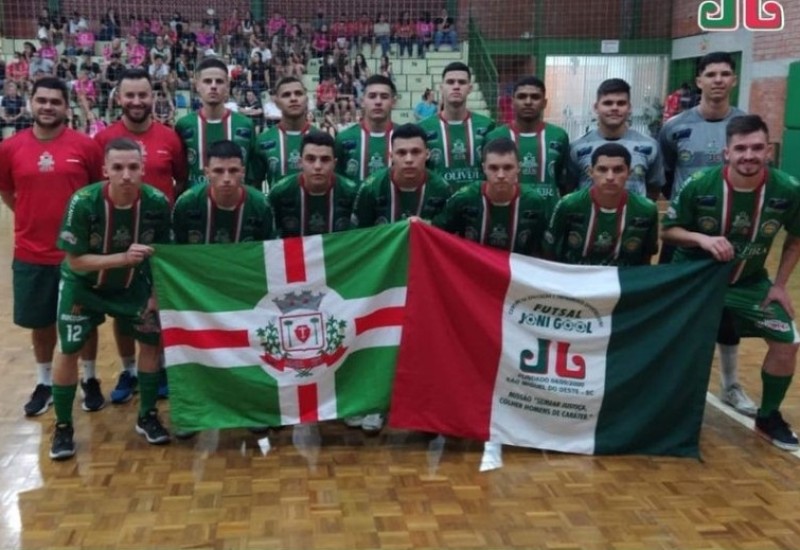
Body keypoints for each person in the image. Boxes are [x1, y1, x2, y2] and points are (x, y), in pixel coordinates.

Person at [662, 115, 800, 451]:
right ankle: (665, 411)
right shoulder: (699, 184)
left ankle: (768, 417)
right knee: (673, 346)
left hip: (750, 283)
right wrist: (701, 239)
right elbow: (667, 231)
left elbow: (795, 237)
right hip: (696, 282)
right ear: (727, 152)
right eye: (741, 148)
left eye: (757, 148)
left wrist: (780, 285)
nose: (749, 155)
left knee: (788, 342)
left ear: (769, 150)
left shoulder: (788, 189)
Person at [48, 138, 172, 460]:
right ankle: (62, 427)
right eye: (118, 167)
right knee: (68, 348)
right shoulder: (83, 202)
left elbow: (163, 257)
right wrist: (122, 258)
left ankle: (146, 415)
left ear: (143, 168)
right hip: (83, 286)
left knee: (150, 342)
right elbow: (74, 261)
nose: (126, 175)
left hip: (133, 287)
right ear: (105, 170)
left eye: (133, 167)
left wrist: (156, 295)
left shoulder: (157, 203)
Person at [0, 77, 104, 417]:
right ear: (31, 103)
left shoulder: (85, 147)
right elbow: (7, 192)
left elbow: (95, 195)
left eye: (55, 101)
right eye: (41, 100)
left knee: (84, 320)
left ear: (65, 106)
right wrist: (31, 218)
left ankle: (89, 378)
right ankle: (44, 382)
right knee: (41, 322)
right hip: (32, 252)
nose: (47, 106)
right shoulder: (10, 148)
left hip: (78, 256)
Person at [658, 51, 752, 415]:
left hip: (730, 233)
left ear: (733, 80)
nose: (717, 80)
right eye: (710, 74)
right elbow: (665, 177)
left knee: (725, 313)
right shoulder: (674, 127)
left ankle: (730, 385)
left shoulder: (746, 123)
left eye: (724, 74)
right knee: (669, 307)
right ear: (698, 81)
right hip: (682, 232)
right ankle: (665, 383)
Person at [350, 123, 452, 431]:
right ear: (389, 155)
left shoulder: (442, 189)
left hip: (426, 281)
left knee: (424, 342)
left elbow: (450, 238)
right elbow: (359, 241)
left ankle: (425, 406)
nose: (409, 159)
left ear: (428, 155)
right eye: (402, 153)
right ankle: (373, 404)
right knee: (378, 340)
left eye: (416, 152)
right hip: (381, 281)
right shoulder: (371, 188)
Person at [94, 69, 187, 404]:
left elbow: (181, 181)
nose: (136, 102)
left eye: (142, 95)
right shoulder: (103, 140)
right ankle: (129, 369)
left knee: (158, 307)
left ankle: (159, 366)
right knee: (123, 311)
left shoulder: (170, 138)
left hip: (161, 243)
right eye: (129, 95)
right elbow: (96, 189)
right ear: (119, 98)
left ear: (153, 97)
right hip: (118, 241)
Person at [544, 142, 658, 266]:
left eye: (618, 170)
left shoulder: (647, 209)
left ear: (629, 173)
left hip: (621, 280)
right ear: (590, 172)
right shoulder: (568, 204)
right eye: (602, 169)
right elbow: (549, 252)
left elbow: (647, 256)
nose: (610, 177)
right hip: (575, 280)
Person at [435, 137, 547, 256]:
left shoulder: (535, 202)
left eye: (508, 167)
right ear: (484, 168)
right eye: (493, 168)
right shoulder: (464, 198)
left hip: (514, 272)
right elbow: (436, 234)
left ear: (518, 168)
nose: (500, 175)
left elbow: (542, 250)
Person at [568, 78, 665, 201]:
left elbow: (654, 188)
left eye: (621, 103)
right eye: (608, 103)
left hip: (632, 218)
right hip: (592, 219)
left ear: (629, 107)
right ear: (596, 107)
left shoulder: (650, 146)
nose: (614, 108)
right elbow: (569, 188)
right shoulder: (577, 147)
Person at [485, 76, 570, 216]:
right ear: (512, 102)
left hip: (547, 217)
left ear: (544, 103)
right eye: (522, 97)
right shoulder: (494, 137)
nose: (528, 102)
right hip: (508, 217)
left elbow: (562, 181)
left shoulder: (559, 136)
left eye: (535, 97)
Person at [175, 57, 258, 189]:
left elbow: (253, 178)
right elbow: (180, 176)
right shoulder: (183, 125)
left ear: (227, 86)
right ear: (197, 85)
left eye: (219, 81)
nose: (213, 86)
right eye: (207, 81)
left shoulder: (245, 125)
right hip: (196, 206)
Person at [173, 139, 274, 244]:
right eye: (218, 171)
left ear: (243, 172)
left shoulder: (260, 205)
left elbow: (270, 251)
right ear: (207, 173)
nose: (226, 178)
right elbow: (174, 250)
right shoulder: (187, 203)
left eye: (233, 170)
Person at [419, 62, 495, 192]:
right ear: (441, 87)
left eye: (461, 82)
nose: (456, 86)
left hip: (477, 206)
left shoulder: (487, 125)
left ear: (470, 88)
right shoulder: (423, 128)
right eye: (450, 82)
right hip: (438, 206)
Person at [269, 131, 358, 237]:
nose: (317, 166)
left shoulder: (352, 193)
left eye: (325, 159)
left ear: (334, 164)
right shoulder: (280, 192)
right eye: (310, 159)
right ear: (300, 163)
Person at [251, 77, 315, 191]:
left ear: (306, 99)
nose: (293, 98)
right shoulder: (263, 141)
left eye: (298, 93)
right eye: (286, 95)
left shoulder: (321, 138)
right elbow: (254, 187)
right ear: (277, 103)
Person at [335, 75, 396, 184]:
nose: (378, 102)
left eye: (384, 96)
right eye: (372, 96)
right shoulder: (343, 138)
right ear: (362, 101)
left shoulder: (404, 138)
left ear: (393, 102)